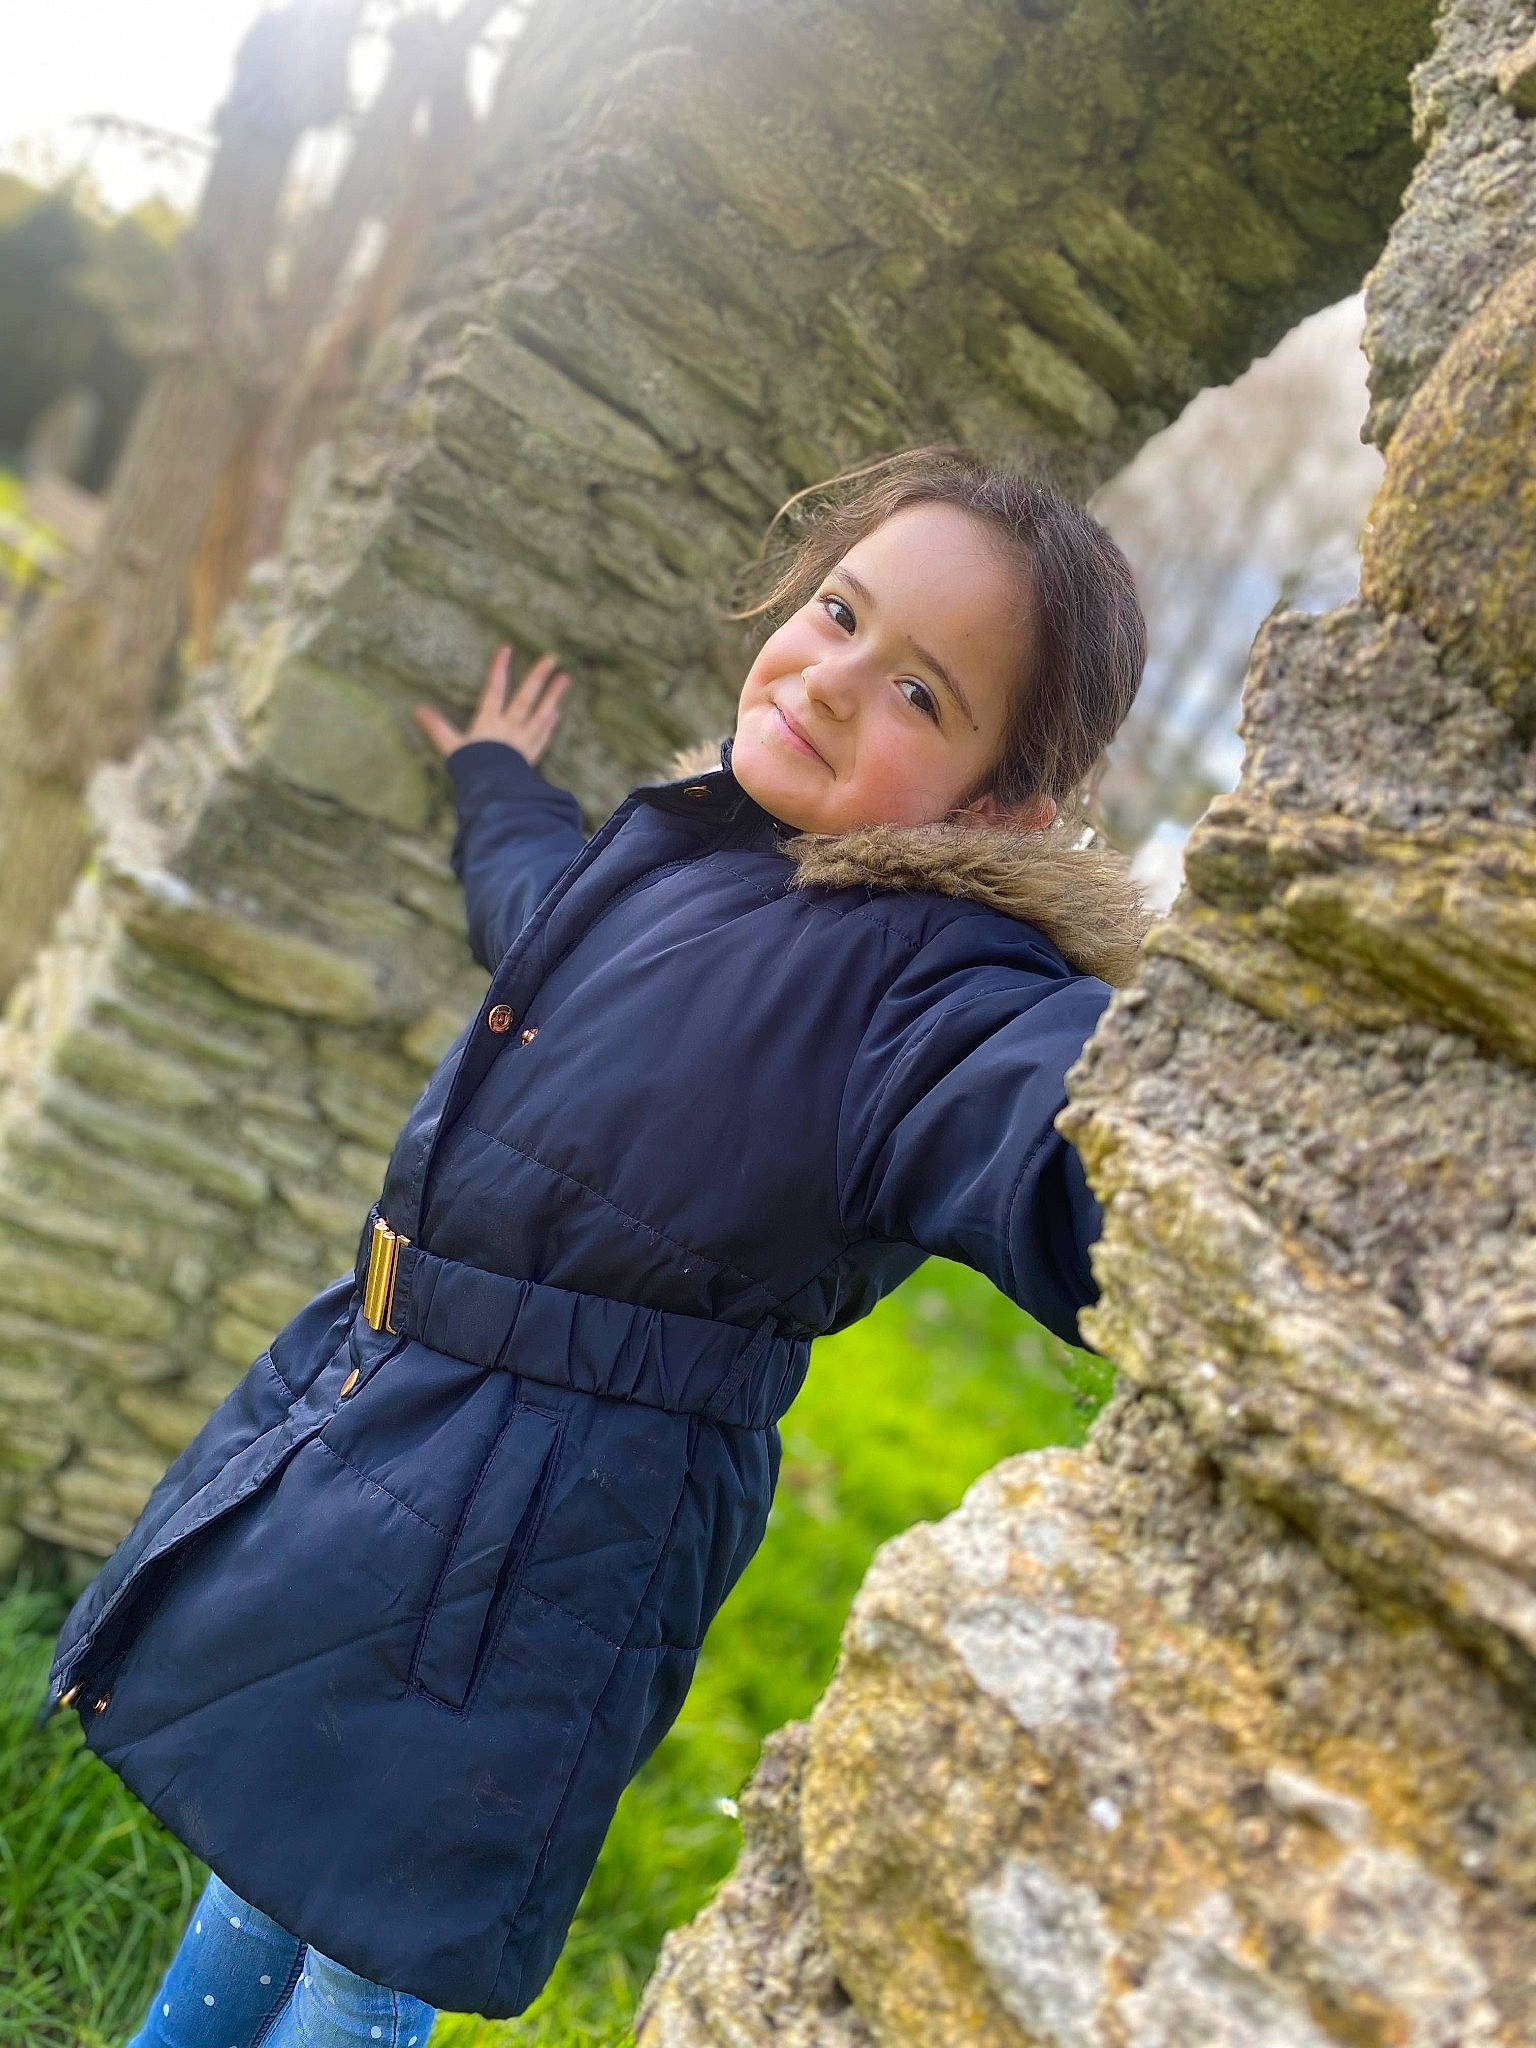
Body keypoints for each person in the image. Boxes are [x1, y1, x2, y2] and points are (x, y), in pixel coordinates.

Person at [45, 447, 1148, 2044]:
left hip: (547, 1551)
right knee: (283, 1842)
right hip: (400, 1428)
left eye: (918, 691)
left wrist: (1186, 1128)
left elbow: (1045, 1121)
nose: (832, 682)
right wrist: (498, 778)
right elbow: (545, 915)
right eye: (838, 612)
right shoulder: (706, 856)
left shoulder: (931, 984)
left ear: (999, 807)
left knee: (370, 1943)